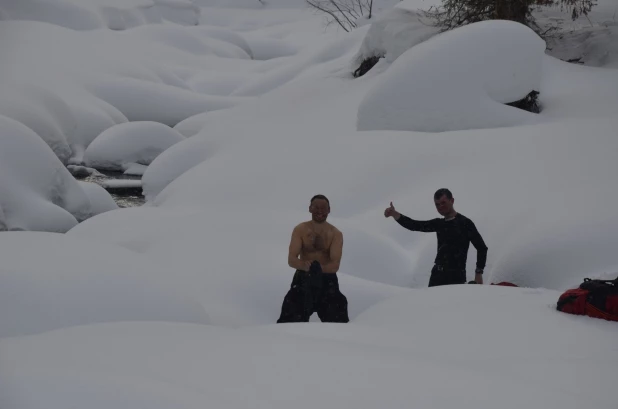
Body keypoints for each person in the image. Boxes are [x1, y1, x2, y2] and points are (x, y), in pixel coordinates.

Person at [384, 188, 488, 287]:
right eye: (437, 204)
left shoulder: (465, 223)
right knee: (431, 305)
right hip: (437, 275)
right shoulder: (439, 223)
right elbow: (414, 225)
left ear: (452, 200)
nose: (440, 207)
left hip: (456, 277)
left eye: (443, 203)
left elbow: (482, 248)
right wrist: (394, 214)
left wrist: (478, 273)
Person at [277, 194, 349, 323]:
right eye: (316, 207)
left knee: (337, 318)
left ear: (329, 210)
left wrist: (318, 269)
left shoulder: (335, 234)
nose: (320, 211)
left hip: (327, 280)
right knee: (291, 317)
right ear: (310, 208)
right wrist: (306, 266)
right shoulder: (300, 229)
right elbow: (292, 259)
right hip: (303, 277)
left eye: (323, 208)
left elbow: (335, 265)